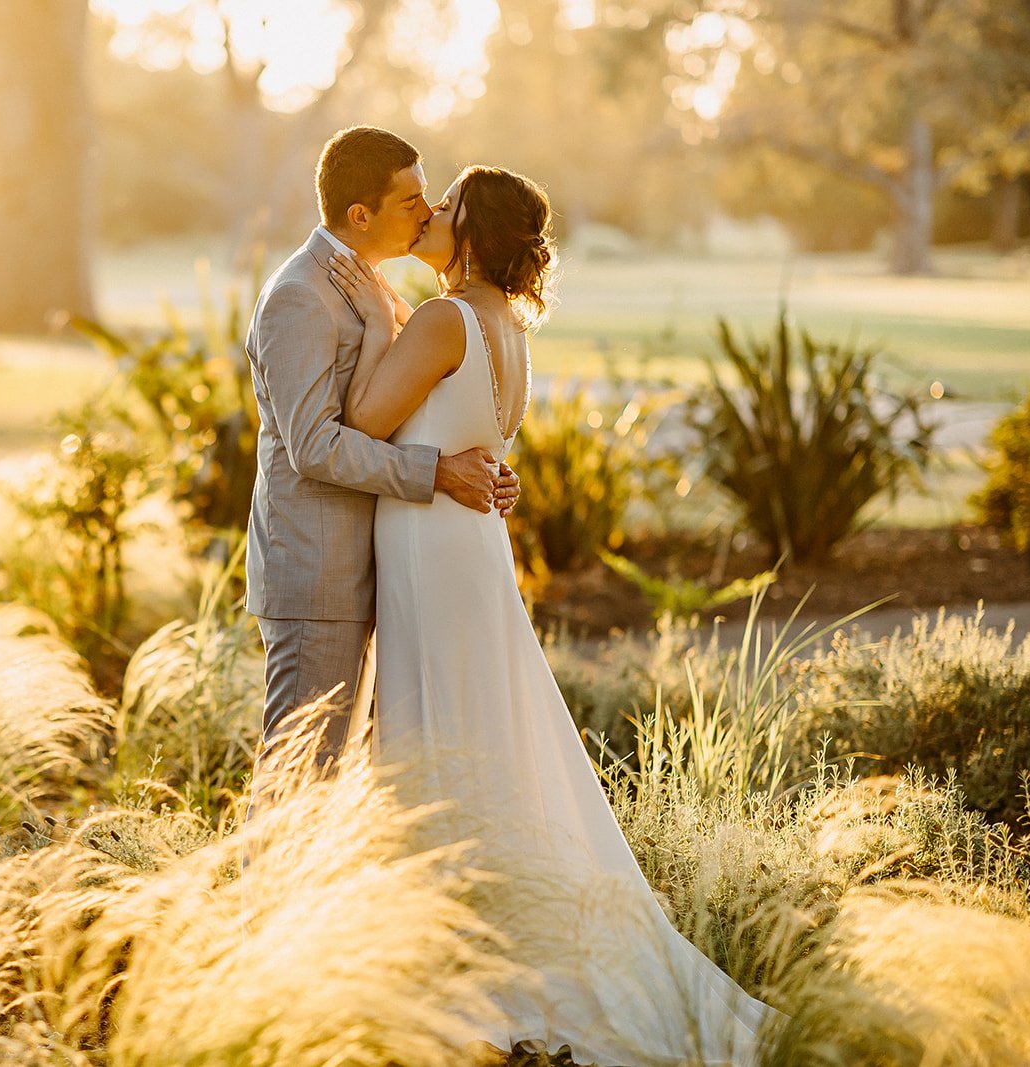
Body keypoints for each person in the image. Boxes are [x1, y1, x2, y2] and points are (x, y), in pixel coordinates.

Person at [326, 164, 781, 1066]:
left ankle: (458, 959)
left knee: (441, 731)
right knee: (480, 730)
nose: (431, 214)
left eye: (445, 207)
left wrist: (374, 323)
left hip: (432, 549)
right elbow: (473, 438)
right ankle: (468, 929)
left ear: (474, 234)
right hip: (468, 548)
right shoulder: (507, 327)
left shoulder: (446, 319)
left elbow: (360, 418)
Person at [243, 126, 520, 780]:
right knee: (299, 779)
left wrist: (484, 466)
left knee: (337, 780)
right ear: (360, 215)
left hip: (379, 570)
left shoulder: (371, 292)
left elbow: (415, 405)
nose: (427, 213)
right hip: (318, 575)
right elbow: (315, 446)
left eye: (430, 198)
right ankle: (270, 889)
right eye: (411, 202)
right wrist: (438, 472)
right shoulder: (300, 297)